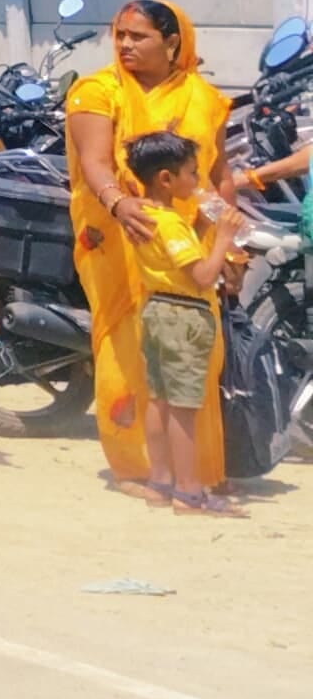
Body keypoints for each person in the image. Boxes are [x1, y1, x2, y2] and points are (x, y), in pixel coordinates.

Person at [61, 0, 236, 503]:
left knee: (199, 353)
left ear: (172, 41)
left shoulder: (205, 99)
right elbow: (95, 162)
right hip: (119, 240)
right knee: (129, 349)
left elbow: (219, 176)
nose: (125, 44)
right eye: (120, 35)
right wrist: (118, 204)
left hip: (190, 243)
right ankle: (141, 468)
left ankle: (198, 470)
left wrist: (235, 251)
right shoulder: (96, 91)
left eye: (138, 36)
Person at [121, 131, 242, 515]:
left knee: (158, 400)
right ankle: (189, 491)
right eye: (191, 173)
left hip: (158, 309)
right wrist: (225, 237)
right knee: (184, 407)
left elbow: (177, 262)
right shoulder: (169, 224)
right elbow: (203, 277)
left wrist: (206, 228)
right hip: (183, 316)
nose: (198, 181)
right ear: (165, 179)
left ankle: (160, 482)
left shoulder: (151, 215)